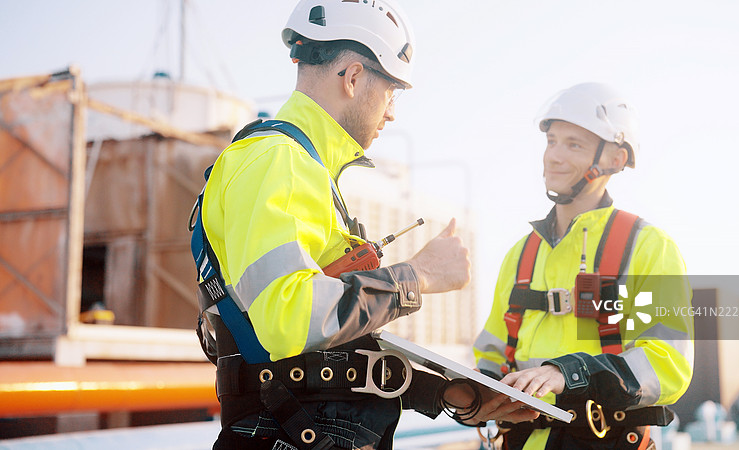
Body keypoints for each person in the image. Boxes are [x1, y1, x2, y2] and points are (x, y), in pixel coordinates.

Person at [193, 1, 474, 448]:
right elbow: (290, 320)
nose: (392, 112)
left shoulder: (298, 167)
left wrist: (441, 389)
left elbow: (325, 352)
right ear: (355, 77)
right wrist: (418, 276)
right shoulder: (280, 161)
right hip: (290, 431)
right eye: (391, 92)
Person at [471, 83, 694, 449]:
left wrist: (569, 372)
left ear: (616, 160)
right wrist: (472, 392)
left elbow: (668, 364)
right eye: (552, 141)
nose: (554, 156)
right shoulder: (519, 255)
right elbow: (493, 353)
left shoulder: (649, 247)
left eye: (574, 144)